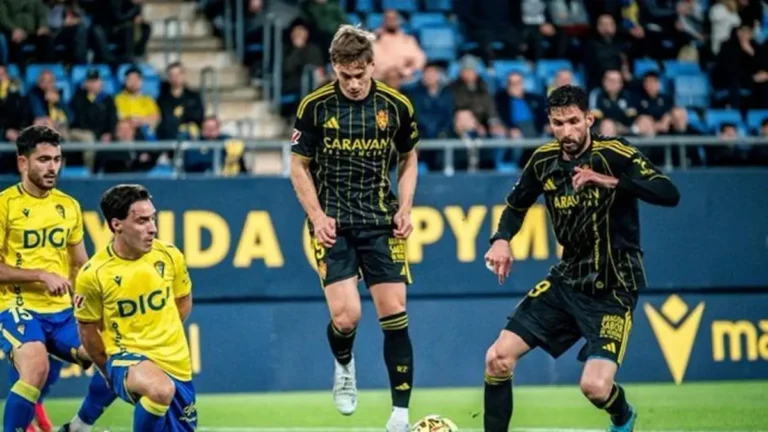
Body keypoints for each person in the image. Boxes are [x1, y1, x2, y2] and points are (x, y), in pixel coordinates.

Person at [482, 85, 681, 432]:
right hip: (568, 279)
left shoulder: (615, 153)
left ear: (589, 119)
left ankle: (622, 415)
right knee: (497, 358)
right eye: (558, 123)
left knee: (594, 387)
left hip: (614, 284)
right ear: (550, 122)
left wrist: (610, 181)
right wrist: (501, 239)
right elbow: (516, 206)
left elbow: (669, 192)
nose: (567, 131)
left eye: (574, 121)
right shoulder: (543, 160)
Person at [289, 24, 420, 432]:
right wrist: (316, 217)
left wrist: (406, 208)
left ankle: (400, 413)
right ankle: (344, 365)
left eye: (360, 74)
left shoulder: (396, 105)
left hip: (381, 221)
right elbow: (298, 166)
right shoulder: (314, 107)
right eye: (345, 76)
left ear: (371, 66)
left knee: (394, 311)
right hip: (334, 224)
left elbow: (409, 158)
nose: (354, 84)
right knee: (347, 318)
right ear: (335, 68)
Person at [0, 125, 115, 432]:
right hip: (16, 305)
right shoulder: (4, 205)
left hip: (62, 312)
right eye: (44, 160)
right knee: (37, 367)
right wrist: (40, 275)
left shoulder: (68, 206)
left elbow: (80, 265)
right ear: (23, 163)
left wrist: (93, 308)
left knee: (115, 360)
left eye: (57, 159)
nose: (52, 167)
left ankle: (78, 426)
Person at [74, 184, 196, 431]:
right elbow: (88, 330)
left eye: (152, 218)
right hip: (123, 360)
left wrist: (159, 335)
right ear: (116, 225)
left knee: (167, 395)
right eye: (141, 221)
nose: (152, 228)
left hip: (176, 362)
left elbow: (183, 300)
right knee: (160, 389)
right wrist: (107, 370)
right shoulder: (93, 274)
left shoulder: (170, 256)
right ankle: (81, 423)